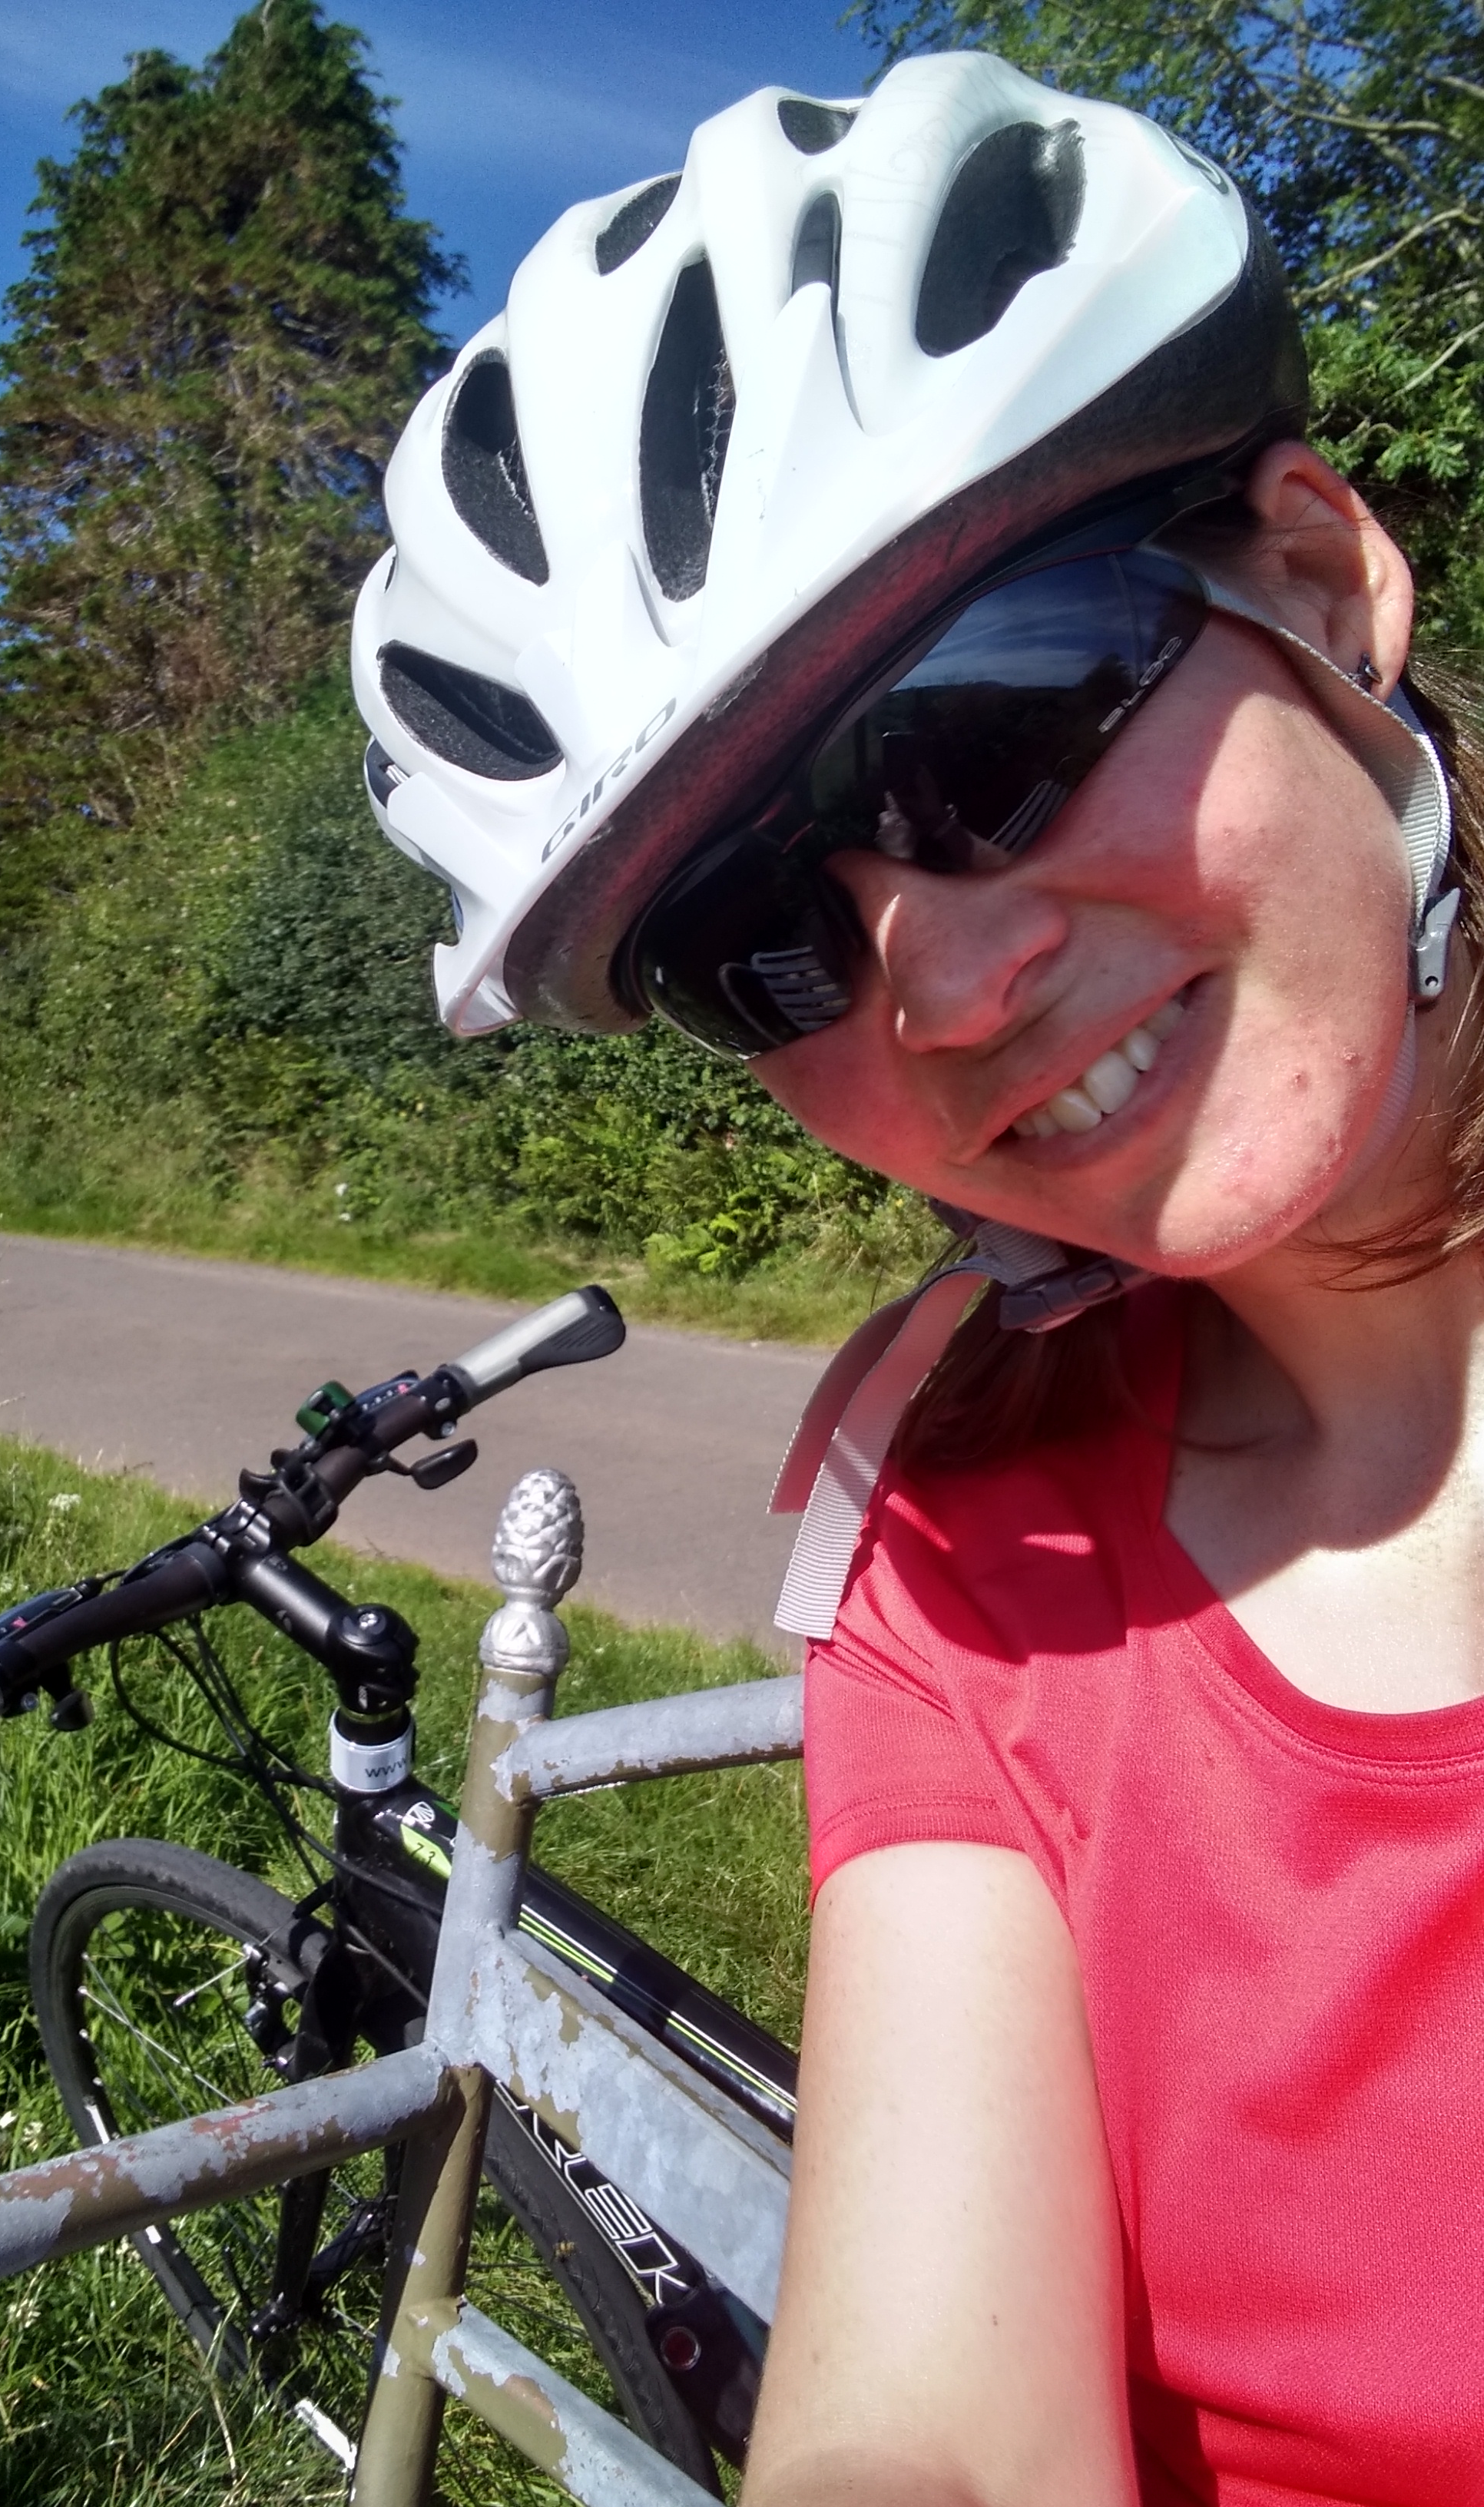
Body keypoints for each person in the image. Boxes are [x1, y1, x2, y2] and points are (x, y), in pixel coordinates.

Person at [349, 49, 1484, 2507]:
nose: (945, 985)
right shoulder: (964, 1525)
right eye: (766, 947)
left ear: (1312, 583)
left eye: (991, 728)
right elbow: (934, 2445)